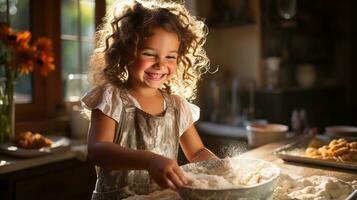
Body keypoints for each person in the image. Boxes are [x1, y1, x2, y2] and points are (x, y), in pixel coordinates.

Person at [81, 0, 218, 199]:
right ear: (125, 52)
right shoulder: (112, 97)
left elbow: (197, 153)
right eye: (149, 54)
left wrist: (223, 169)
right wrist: (148, 161)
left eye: (170, 57)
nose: (160, 64)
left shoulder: (177, 106)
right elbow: (98, 151)